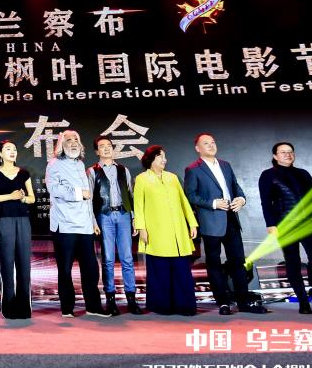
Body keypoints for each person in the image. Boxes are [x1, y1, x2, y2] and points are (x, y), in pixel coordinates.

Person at [184, 133, 267, 316]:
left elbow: (236, 187)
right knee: (214, 264)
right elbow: (190, 195)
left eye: (213, 142)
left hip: (231, 219)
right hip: (211, 221)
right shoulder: (193, 169)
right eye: (206, 143)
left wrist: (241, 199)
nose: (211, 145)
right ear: (197, 148)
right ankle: (223, 303)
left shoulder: (225, 165)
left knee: (238, 262)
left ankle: (243, 303)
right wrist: (213, 203)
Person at [258, 142, 312, 314]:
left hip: (309, 224)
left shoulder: (303, 174)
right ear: (275, 156)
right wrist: (270, 224)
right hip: (285, 225)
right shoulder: (267, 175)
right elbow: (265, 202)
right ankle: (303, 302)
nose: (288, 155)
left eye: (290, 152)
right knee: (293, 263)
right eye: (283, 152)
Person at [46, 130, 110, 318]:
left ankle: (93, 307)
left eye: (76, 139)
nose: (73, 143)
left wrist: (92, 221)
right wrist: (78, 193)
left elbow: (88, 199)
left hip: (85, 225)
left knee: (91, 268)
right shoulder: (54, 164)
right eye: (69, 140)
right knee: (65, 269)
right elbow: (54, 188)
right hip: (64, 225)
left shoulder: (80, 164)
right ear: (61, 144)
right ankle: (67, 308)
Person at [134, 145, 198, 316]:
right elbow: (138, 206)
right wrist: (141, 228)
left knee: (181, 270)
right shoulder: (142, 179)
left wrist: (192, 223)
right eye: (160, 157)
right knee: (160, 270)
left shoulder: (172, 177)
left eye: (164, 156)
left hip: (178, 231)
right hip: (157, 232)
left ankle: (184, 306)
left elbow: (184, 202)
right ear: (151, 159)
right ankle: (162, 306)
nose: (164, 160)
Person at [87, 135, 140, 316]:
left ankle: (131, 298)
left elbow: (131, 195)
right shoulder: (92, 171)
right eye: (102, 146)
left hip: (124, 215)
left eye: (109, 145)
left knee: (127, 258)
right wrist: (93, 221)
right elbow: (89, 200)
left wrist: (134, 218)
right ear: (97, 151)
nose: (106, 148)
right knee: (108, 259)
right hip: (104, 216)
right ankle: (110, 298)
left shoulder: (123, 170)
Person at [0, 140, 35, 319]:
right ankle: (8, 305)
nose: (12, 152)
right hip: (4, 219)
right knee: (6, 262)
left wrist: (23, 198)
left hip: (23, 219)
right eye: (8, 149)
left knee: (24, 263)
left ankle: (24, 306)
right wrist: (10, 196)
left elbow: (32, 198)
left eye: (14, 149)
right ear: (0, 153)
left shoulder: (24, 173)